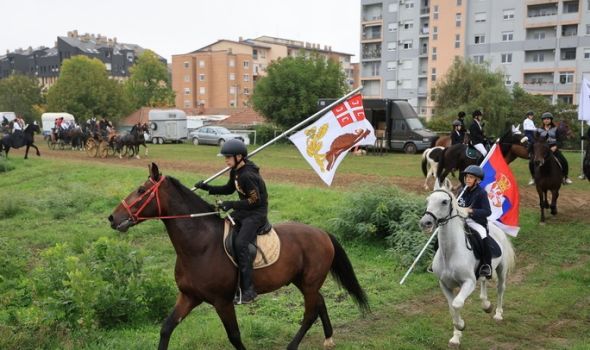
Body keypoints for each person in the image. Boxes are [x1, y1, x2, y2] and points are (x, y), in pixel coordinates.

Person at [194, 139, 268, 304]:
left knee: (241, 243)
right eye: (225, 157)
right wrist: (208, 188)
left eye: (228, 157)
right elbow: (229, 189)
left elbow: (255, 201)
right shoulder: (235, 171)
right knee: (223, 227)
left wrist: (231, 204)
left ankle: (249, 290)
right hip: (244, 211)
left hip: (256, 213)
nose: (225, 160)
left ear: (239, 157)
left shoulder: (248, 175)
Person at [458, 165, 493, 278]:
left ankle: (486, 265)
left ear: (477, 180)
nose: (467, 179)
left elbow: (487, 211)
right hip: (460, 220)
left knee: (483, 236)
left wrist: (472, 211)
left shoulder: (481, 193)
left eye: (471, 177)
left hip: (476, 222)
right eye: (467, 176)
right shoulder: (461, 191)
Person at [537, 112, 572, 184]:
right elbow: (536, 141)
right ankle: (534, 178)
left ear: (551, 120)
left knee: (563, 161)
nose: (546, 120)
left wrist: (556, 146)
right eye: (544, 119)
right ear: (542, 120)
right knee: (532, 162)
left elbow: (560, 141)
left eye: (548, 119)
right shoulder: (539, 130)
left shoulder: (556, 129)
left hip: (553, 148)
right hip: (542, 149)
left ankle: (565, 177)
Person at [523, 111, 537, 185]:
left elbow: (534, 128)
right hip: (528, 133)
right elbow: (528, 128)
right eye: (530, 115)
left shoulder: (531, 121)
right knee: (532, 142)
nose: (531, 116)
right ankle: (529, 152)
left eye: (532, 115)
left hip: (532, 133)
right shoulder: (526, 121)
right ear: (528, 115)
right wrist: (535, 129)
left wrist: (536, 129)